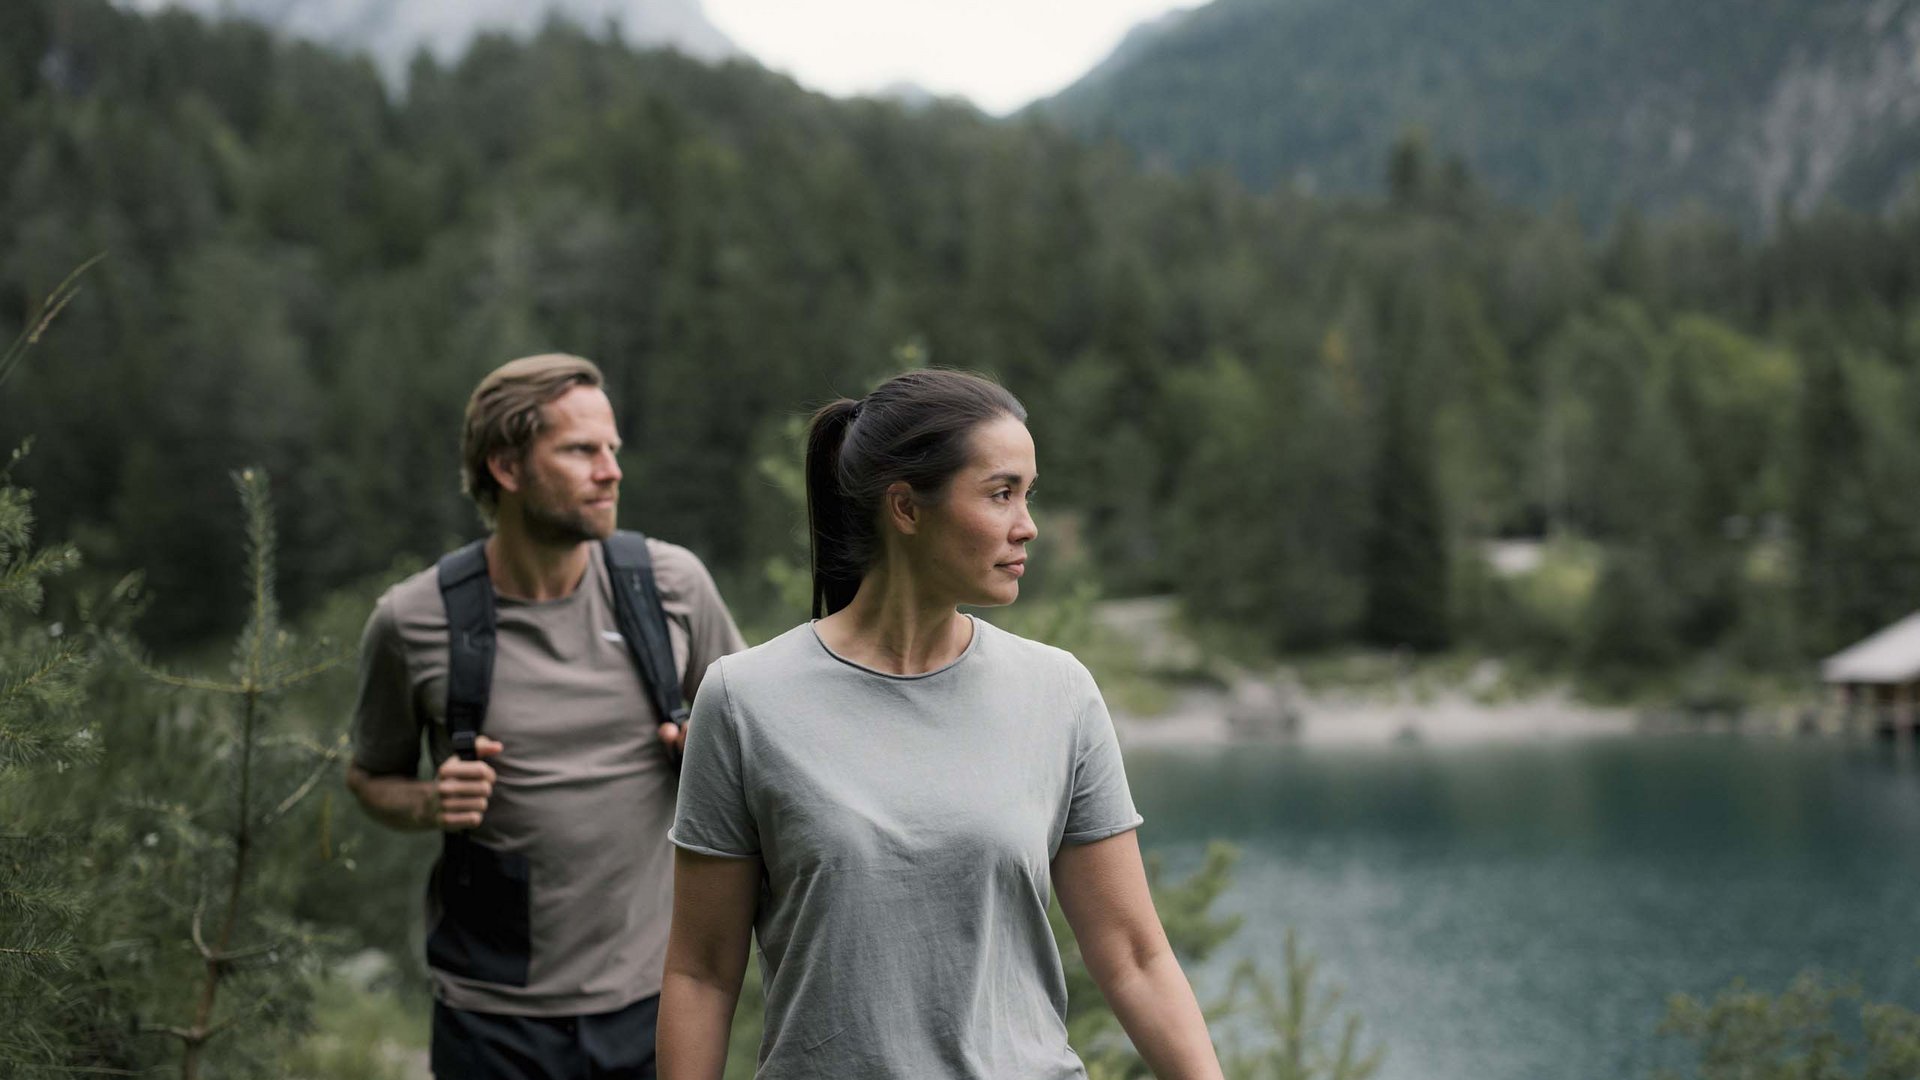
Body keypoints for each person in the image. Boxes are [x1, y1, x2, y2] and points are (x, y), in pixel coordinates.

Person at [658, 369, 1224, 1079]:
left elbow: (1135, 958)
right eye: (1000, 493)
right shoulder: (745, 700)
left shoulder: (1059, 693)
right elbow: (702, 974)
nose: (1028, 525)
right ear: (906, 508)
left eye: (1028, 494)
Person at [346, 353, 745, 1080]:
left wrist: (707, 759)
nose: (611, 470)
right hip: (490, 1015)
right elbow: (371, 777)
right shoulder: (414, 619)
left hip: (657, 999)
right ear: (506, 467)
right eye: (580, 451)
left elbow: (758, 761)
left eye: (613, 449)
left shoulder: (671, 587)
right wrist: (432, 801)